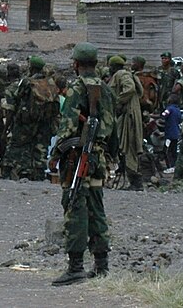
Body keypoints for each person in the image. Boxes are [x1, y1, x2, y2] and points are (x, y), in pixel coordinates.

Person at [50, 42, 115, 286]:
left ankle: (75, 266)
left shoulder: (76, 88)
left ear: (76, 64)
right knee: (96, 208)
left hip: (78, 157)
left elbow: (67, 127)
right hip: (97, 157)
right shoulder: (106, 89)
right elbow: (113, 128)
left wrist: (56, 153)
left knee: (75, 206)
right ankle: (101, 265)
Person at [109, 55, 144, 190]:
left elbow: (129, 89)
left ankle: (136, 181)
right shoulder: (124, 74)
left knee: (129, 147)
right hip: (126, 115)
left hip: (128, 116)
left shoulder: (121, 74)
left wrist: (118, 101)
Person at [162, 94, 182, 170]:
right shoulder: (178, 110)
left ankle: (170, 166)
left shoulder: (169, 109)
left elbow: (164, 114)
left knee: (167, 150)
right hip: (176, 133)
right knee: (174, 150)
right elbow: (180, 119)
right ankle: (174, 165)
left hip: (169, 134)